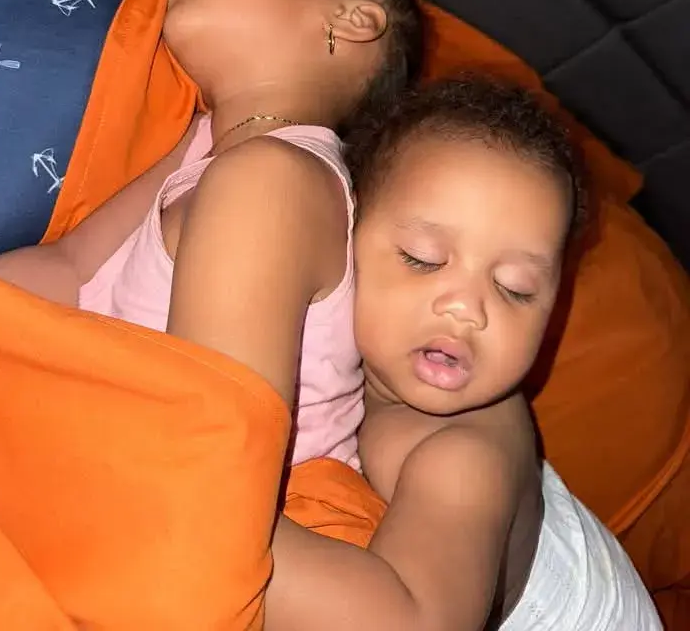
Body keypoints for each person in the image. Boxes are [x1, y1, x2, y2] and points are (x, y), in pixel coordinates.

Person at [0, 0, 425, 469]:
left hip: (209, 498)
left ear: (351, 21)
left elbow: (203, 454)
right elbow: (70, 267)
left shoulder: (277, 179)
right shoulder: (200, 149)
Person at [263, 77, 662, 630]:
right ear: (343, 235)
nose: (468, 309)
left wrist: (202, 497)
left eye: (515, 289)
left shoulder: (459, 457)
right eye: (423, 259)